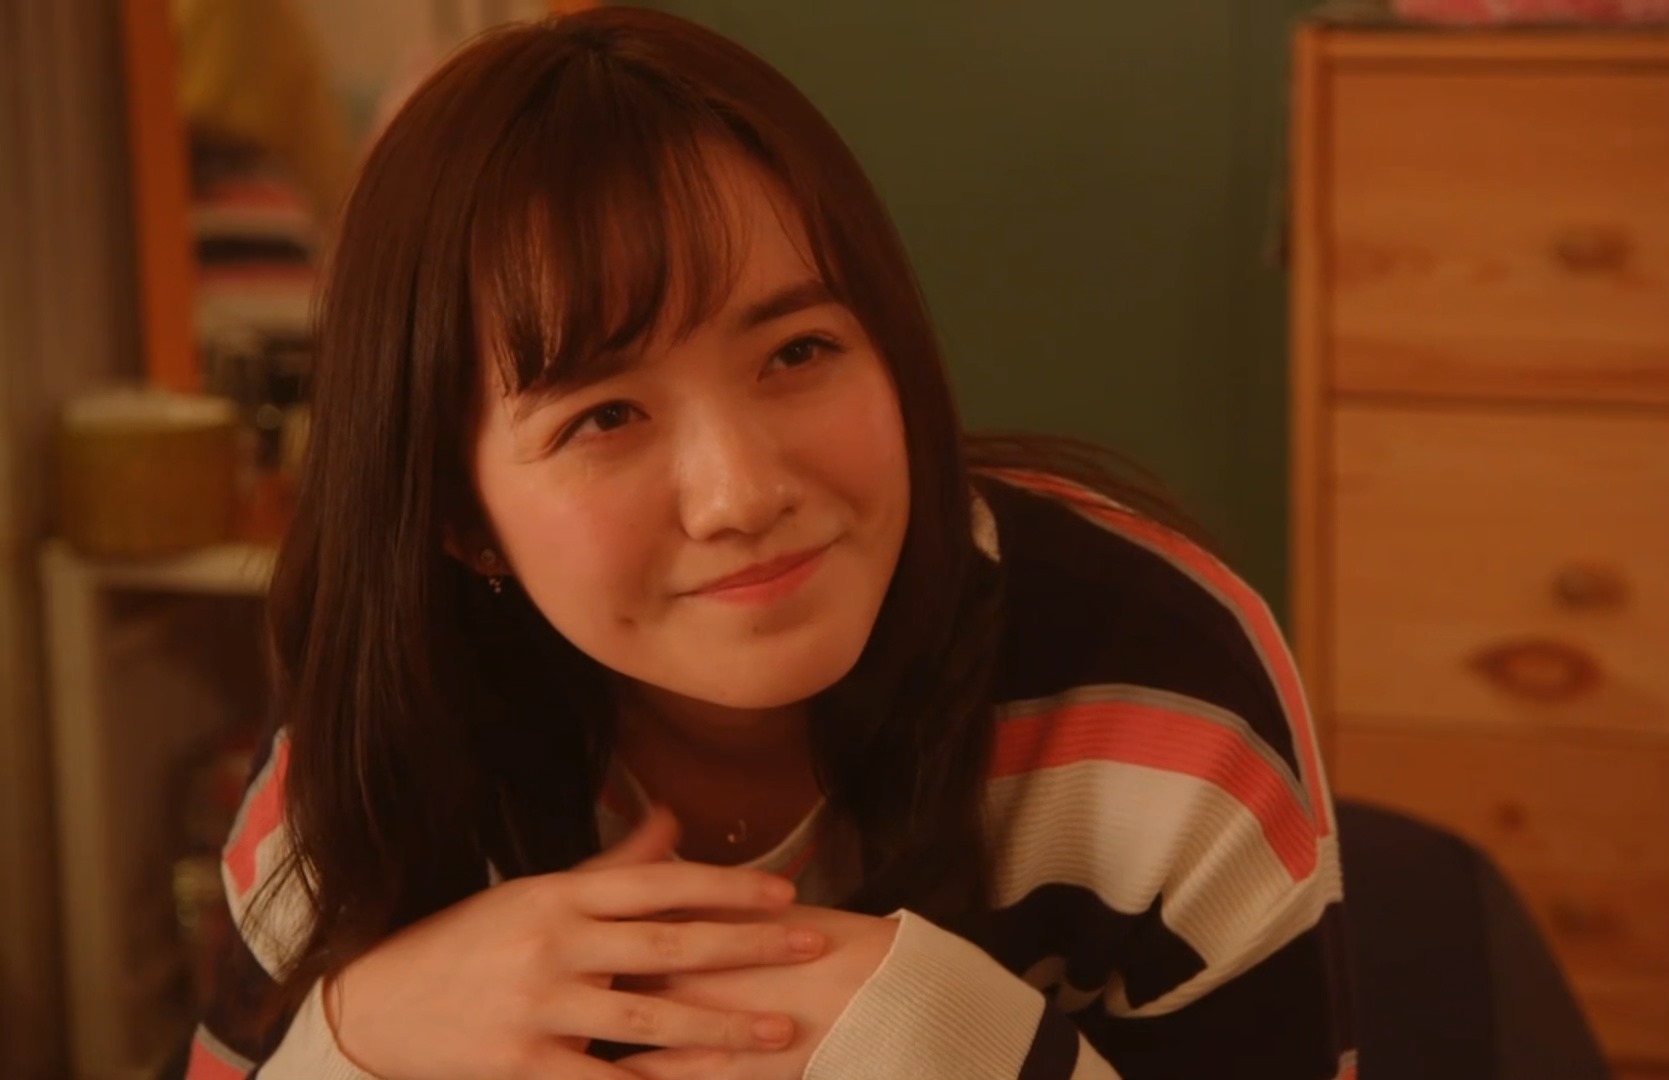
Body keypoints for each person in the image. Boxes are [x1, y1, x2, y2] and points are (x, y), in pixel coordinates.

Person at [185, 8, 1353, 1079]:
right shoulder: (387, 725)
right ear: (460, 518)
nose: (739, 494)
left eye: (798, 352)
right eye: (605, 417)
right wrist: (360, 1032)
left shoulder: (1154, 692)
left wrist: (949, 1038)